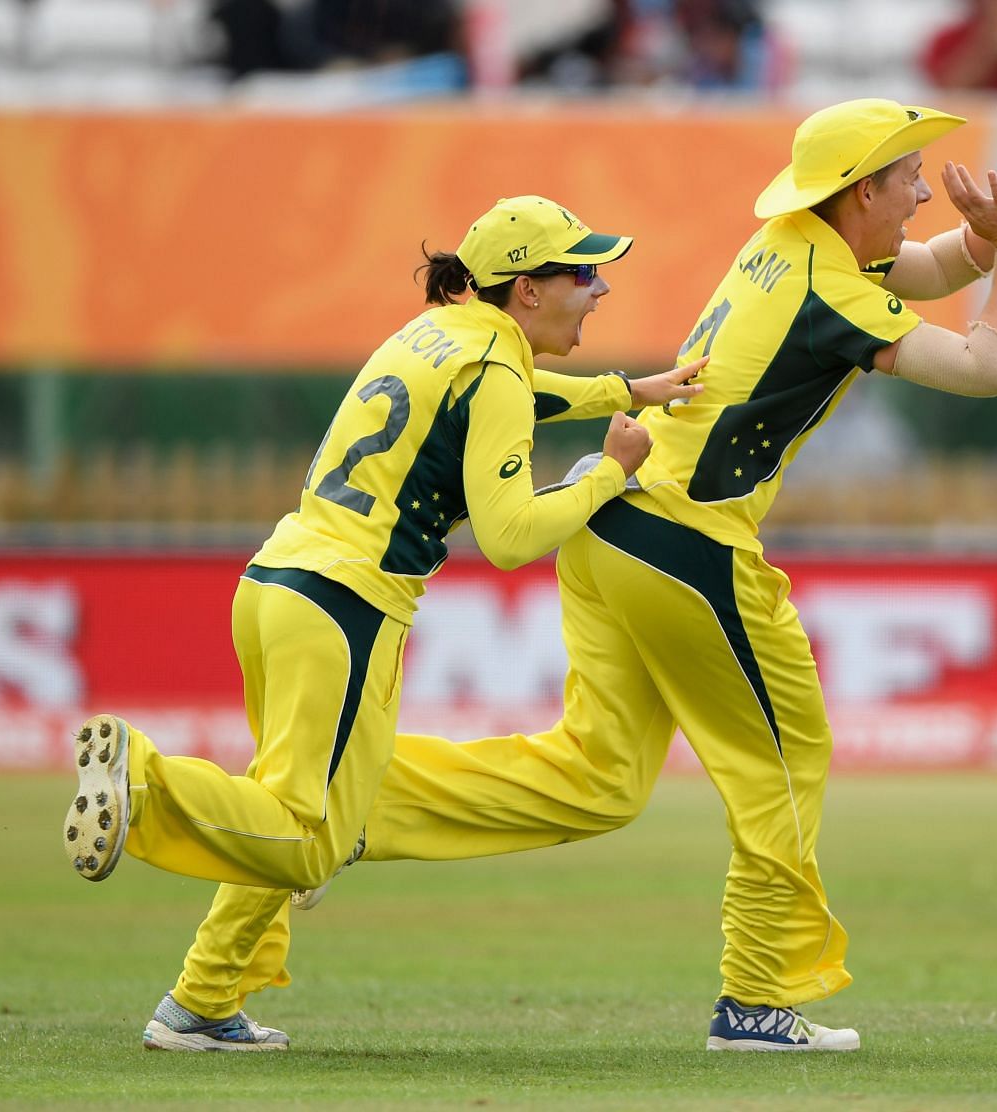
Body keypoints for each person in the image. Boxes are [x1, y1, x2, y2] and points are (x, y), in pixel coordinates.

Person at [291, 99, 997, 1052]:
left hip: (612, 519)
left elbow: (943, 265)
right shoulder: (834, 289)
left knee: (596, 778)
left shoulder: (792, 239)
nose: (919, 190)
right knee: (783, 760)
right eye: (908, 175)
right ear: (862, 189)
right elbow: (990, 366)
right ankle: (757, 1004)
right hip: (685, 542)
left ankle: (349, 809)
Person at [63, 195, 706, 1050]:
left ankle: (202, 1001)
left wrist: (625, 390)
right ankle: (144, 784)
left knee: (294, 810)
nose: (598, 290)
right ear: (528, 290)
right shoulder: (496, 370)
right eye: (583, 273)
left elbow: (506, 403)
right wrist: (606, 475)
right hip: (348, 608)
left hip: (276, 585)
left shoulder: (438, 333)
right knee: (308, 845)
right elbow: (511, 536)